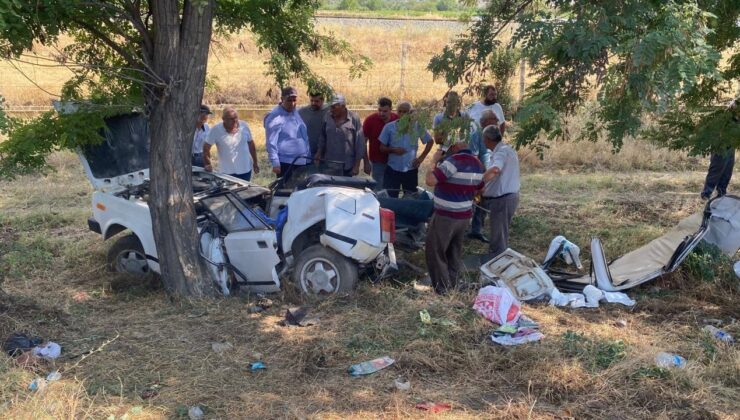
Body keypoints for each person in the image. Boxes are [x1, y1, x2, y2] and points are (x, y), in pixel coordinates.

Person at [424, 141, 485, 294]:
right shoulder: (478, 164)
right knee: (454, 251)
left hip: (446, 215)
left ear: (455, 147)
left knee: (435, 251)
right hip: (464, 215)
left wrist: (434, 161)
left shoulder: (454, 161)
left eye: (449, 148)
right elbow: (480, 188)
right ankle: (453, 283)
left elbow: (430, 180)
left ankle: (442, 288)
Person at [480, 125, 520, 258]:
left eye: (483, 138)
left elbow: (496, 170)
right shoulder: (506, 150)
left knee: (498, 237)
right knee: (500, 234)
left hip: (503, 200)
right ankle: (499, 259)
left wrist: (479, 183)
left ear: (487, 139)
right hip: (507, 198)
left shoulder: (501, 152)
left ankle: (496, 265)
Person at [378, 102, 433, 197]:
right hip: (393, 169)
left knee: (411, 197)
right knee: (390, 197)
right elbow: (382, 148)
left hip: (410, 170)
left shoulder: (417, 126)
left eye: (405, 112)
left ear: (410, 113)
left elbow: (430, 141)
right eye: (400, 111)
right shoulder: (389, 127)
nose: (402, 114)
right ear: (396, 112)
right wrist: (394, 150)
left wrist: (421, 158)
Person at [466, 109, 498, 243]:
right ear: (484, 122)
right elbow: (473, 156)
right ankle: (464, 229)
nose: (496, 123)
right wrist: (485, 169)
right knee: (473, 202)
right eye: (493, 120)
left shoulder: (495, 133)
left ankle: (477, 230)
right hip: (478, 174)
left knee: (484, 203)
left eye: (496, 121)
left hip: (489, 174)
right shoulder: (476, 135)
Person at [264, 86, 310, 177]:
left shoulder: (296, 112)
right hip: (286, 162)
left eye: (294, 100)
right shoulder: (275, 117)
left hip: (302, 160)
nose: (292, 103)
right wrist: (275, 163)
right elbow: (271, 142)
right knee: (286, 190)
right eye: (289, 100)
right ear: (282, 99)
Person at [203, 107, 259, 181]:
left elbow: (251, 144)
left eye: (236, 118)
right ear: (223, 119)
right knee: (229, 192)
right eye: (231, 119)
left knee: (244, 192)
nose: (235, 121)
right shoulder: (216, 130)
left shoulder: (244, 126)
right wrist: (207, 163)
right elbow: (206, 147)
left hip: (245, 169)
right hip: (227, 172)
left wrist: (255, 162)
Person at [315, 94, 365, 176]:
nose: (331, 110)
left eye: (334, 107)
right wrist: (319, 152)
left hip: (347, 166)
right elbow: (323, 136)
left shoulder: (354, 118)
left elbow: (360, 143)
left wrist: (357, 165)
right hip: (329, 164)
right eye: (330, 107)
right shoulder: (327, 116)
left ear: (343, 106)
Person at [701, 98, 738, 200]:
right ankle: (706, 194)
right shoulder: (724, 116)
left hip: (731, 147)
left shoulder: (737, 118)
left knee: (727, 171)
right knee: (716, 169)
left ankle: (721, 192)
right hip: (720, 145)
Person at [362, 97, 398, 188]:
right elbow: (363, 142)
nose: (381, 113)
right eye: (379, 110)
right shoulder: (370, 120)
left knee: (392, 188)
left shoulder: (397, 119)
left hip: (394, 160)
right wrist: (366, 162)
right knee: (378, 188)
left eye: (385, 111)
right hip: (377, 160)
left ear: (391, 109)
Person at [298, 91, 329, 157]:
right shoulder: (302, 112)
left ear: (322, 100)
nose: (313, 103)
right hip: (307, 152)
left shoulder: (329, 112)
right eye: (311, 100)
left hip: (325, 153)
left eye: (316, 101)